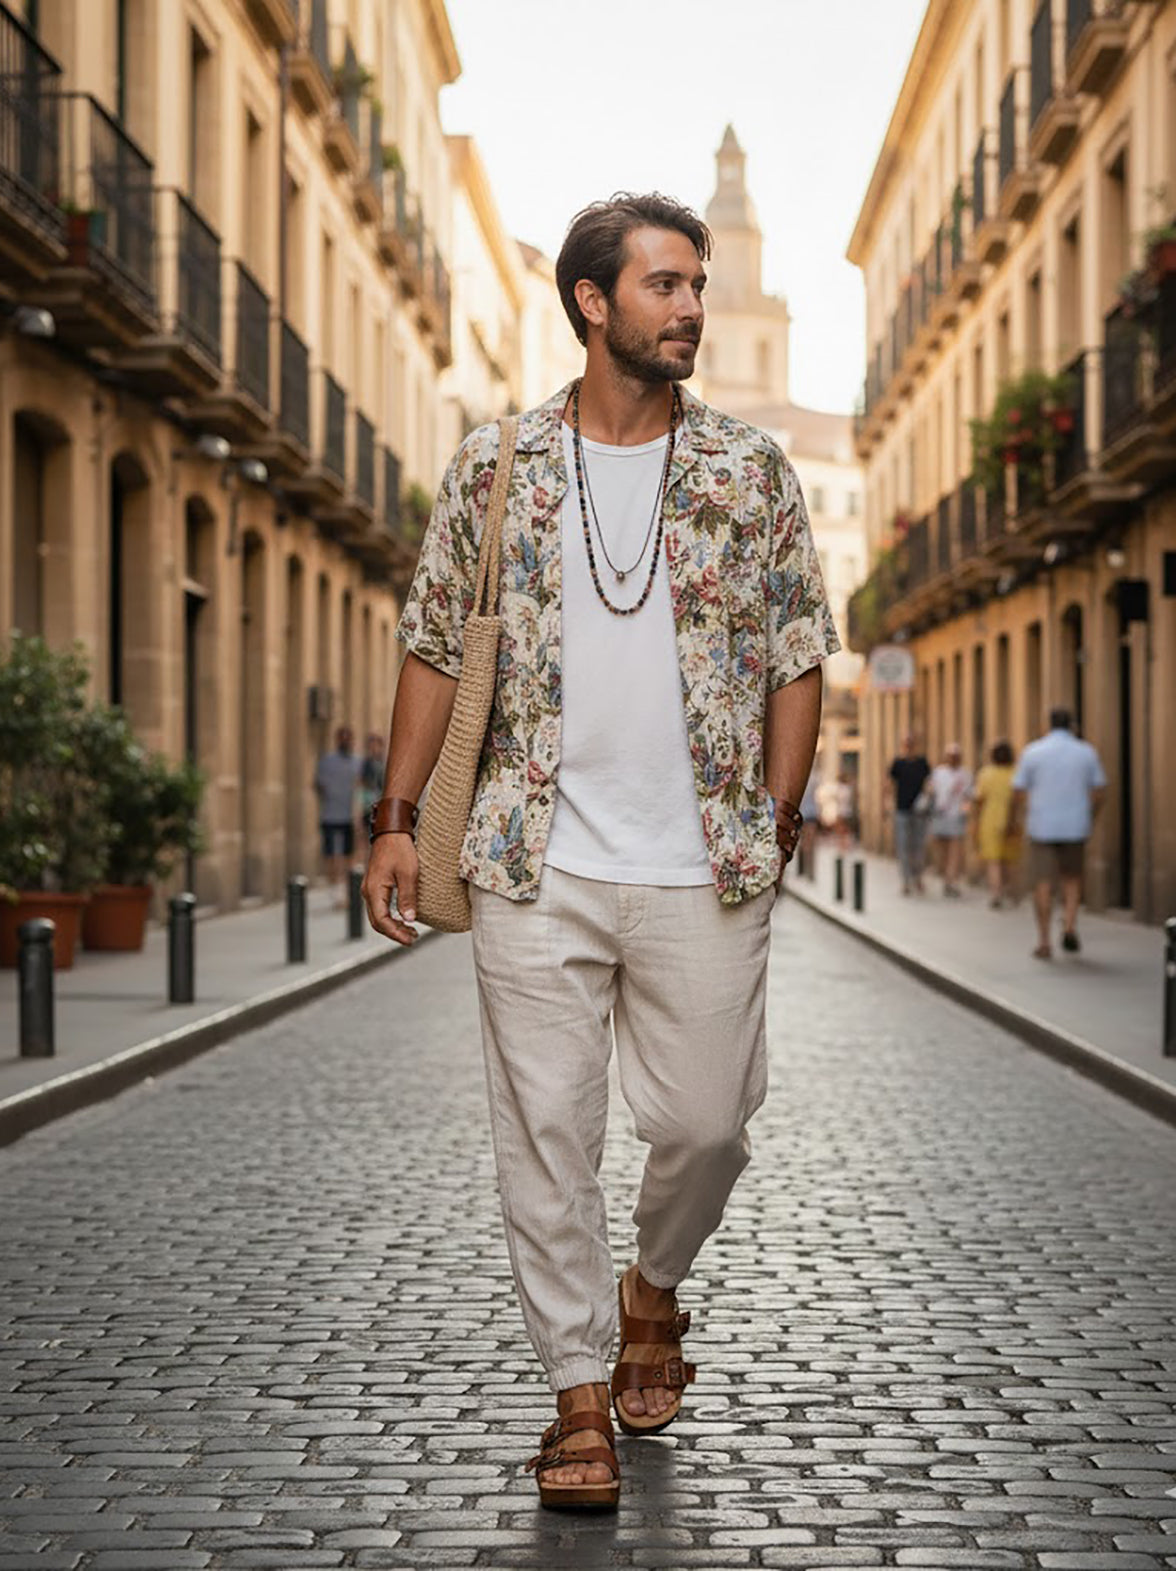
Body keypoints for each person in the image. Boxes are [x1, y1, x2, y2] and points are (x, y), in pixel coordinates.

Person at [361, 193, 838, 1511]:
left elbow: (800, 650)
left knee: (707, 1123)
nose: (692, 308)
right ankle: (577, 1393)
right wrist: (396, 817)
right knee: (547, 1135)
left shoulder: (750, 470)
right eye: (667, 287)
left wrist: (780, 813)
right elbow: (436, 645)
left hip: (708, 860)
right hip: (533, 854)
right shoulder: (494, 463)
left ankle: (655, 1288)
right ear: (593, 301)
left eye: (698, 287)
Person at [1011, 707, 1107, 958]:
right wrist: (1089, 816)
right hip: (1075, 826)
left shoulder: (1033, 752)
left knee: (1042, 884)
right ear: (1072, 725)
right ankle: (1069, 926)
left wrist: (1023, 815)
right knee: (1072, 879)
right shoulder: (1086, 752)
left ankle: (1044, 940)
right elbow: (1099, 791)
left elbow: (1018, 791)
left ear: (1049, 724)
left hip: (1042, 826)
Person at [313, 725, 361, 905]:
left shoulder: (358, 762)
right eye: (342, 738)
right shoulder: (327, 762)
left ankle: (347, 890)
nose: (345, 741)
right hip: (330, 815)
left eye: (348, 738)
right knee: (332, 855)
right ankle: (335, 890)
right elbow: (319, 785)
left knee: (349, 855)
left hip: (350, 817)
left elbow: (362, 787)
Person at [973, 739, 1019, 907]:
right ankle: (1013, 893)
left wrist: (975, 821)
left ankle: (996, 894)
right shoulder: (1016, 773)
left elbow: (979, 800)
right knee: (1010, 860)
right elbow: (1019, 799)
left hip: (990, 821)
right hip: (1011, 821)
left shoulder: (986, 774)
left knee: (994, 861)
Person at [886, 732, 930, 894]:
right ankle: (905, 881)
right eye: (906, 743)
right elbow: (889, 784)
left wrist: (927, 800)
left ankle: (918, 878)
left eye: (911, 743)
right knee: (903, 846)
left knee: (918, 846)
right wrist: (888, 806)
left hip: (919, 811)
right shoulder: (898, 763)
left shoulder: (922, 763)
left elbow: (928, 783)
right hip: (902, 810)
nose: (909, 746)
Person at [926, 741, 972, 896]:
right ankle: (946, 877)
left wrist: (965, 812)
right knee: (943, 851)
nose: (953, 759)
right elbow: (931, 791)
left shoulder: (965, 774)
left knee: (954, 852)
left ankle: (950, 881)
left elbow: (968, 797)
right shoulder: (939, 772)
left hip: (956, 816)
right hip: (940, 815)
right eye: (951, 756)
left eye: (956, 756)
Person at [358, 732, 387, 840]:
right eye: (372, 746)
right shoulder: (366, 764)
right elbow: (362, 784)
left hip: (382, 805)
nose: (374, 749)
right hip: (368, 805)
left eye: (376, 745)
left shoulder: (385, 764)